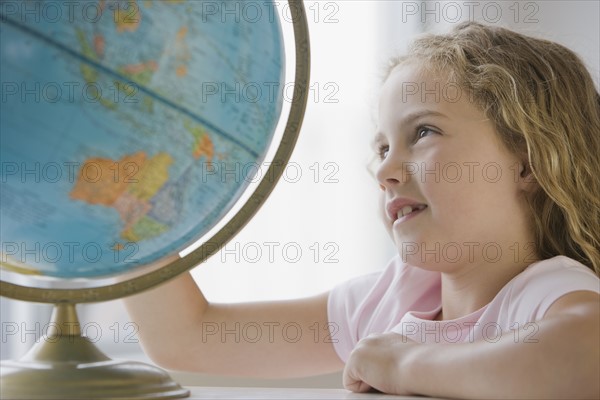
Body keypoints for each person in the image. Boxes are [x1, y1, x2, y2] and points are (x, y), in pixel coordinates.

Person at [124, 22, 600, 398]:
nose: (385, 170)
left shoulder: (547, 292)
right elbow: (186, 337)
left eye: (423, 133)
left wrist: (405, 364)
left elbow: (586, 357)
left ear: (531, 162)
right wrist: (129, 215)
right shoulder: (391, 301)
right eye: (382, 146)